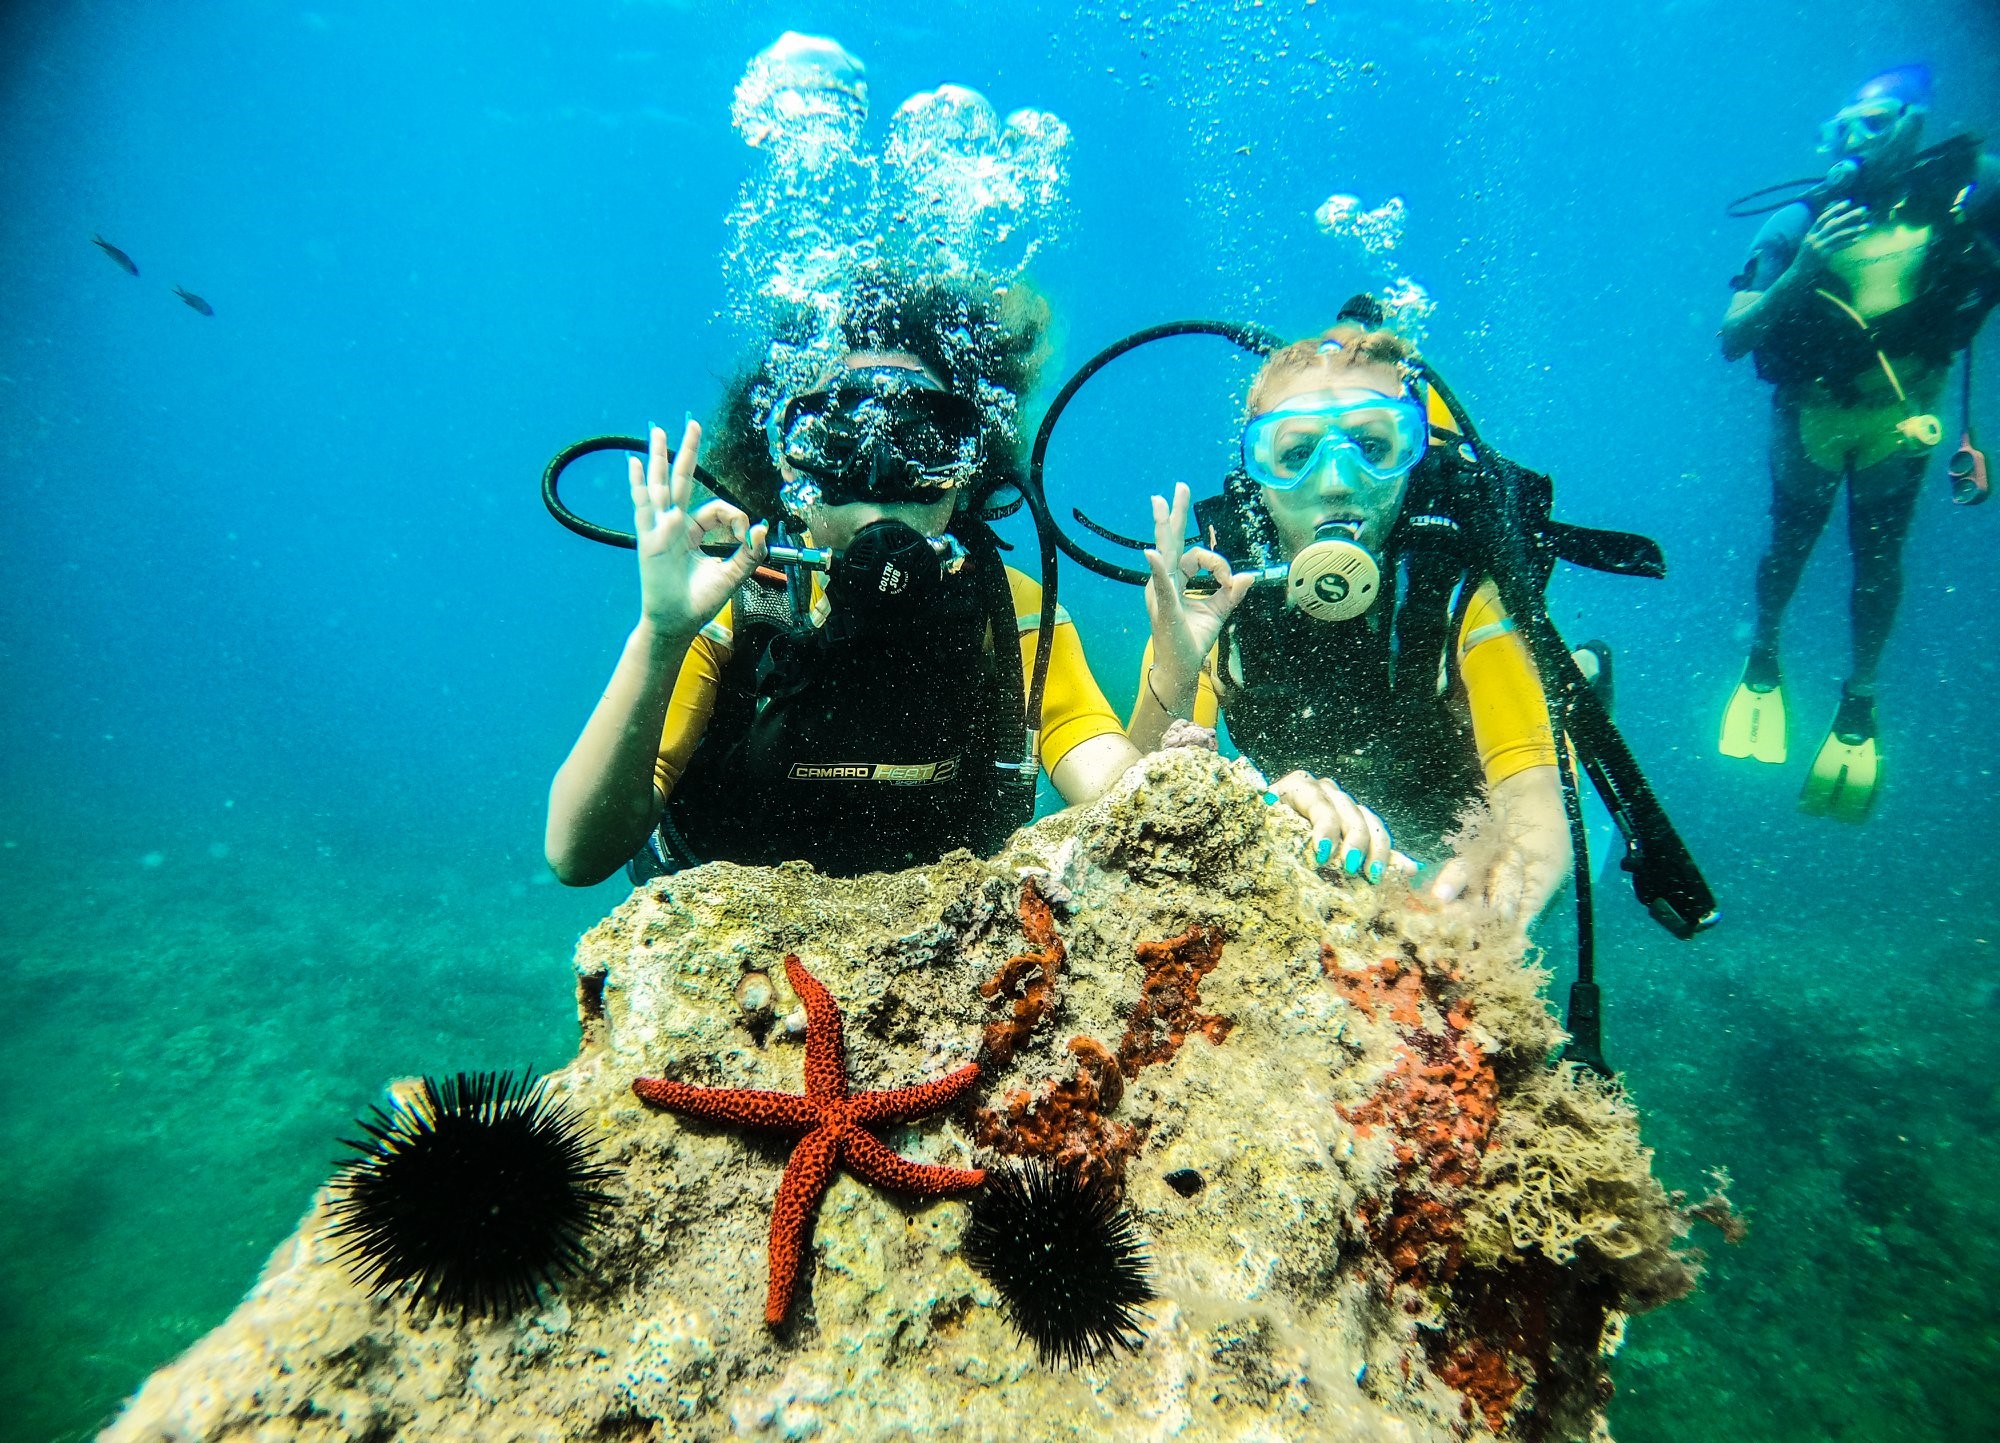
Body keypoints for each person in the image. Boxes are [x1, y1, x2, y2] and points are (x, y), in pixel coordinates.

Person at [546, 272, 1140, 886]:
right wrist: (661, 635)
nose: (880, 472)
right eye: (838, 435)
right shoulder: (732, 601)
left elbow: (1110, 782)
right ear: (787, 464)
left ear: (969, 469)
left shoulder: (1008, 608)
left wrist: (1172, 767)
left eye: (924, 438)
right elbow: (577, 853)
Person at [1125, 316, 1573, 927]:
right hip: (1337, 827)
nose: (1337, 483)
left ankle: (1582, 679)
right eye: (1297, 453)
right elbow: (1138, 799)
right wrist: (1175, 673)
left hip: (1448, 813)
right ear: (1259, 476)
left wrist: (1513, 869)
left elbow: (1532, 800)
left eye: (1373, 446)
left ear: (1412, 458)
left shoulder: (1463, 594)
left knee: (1558, 714)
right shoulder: (1214, 598)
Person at [1717, 65, 1999, 820]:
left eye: (1873, 124)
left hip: (1902, 415)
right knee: (1790, 546)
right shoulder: (1799, 223)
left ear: (1915, 123)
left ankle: (1859, 700)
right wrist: (1803, 271)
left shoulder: (1965, 198)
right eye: (1840, 130)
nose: (1854, 142)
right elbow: (1733, 336)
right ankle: (1763, 659)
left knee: (1879, 562)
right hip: (1812, 415)